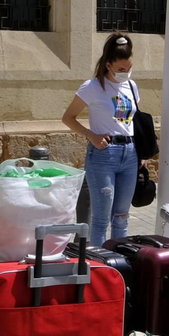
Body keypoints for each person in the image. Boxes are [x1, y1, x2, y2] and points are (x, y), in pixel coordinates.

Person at [61, 33, 141, 244]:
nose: (126, 73)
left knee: (122, 217)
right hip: (103, 154)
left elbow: (131, 120)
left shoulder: (132, 86)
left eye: (129, 68)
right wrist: (91, 135)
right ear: (108, 65)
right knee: (101, 219)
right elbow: (68, 118)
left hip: (130, 154)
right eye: (121, 69)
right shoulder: (93, 87)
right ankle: (99, 267)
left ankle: (120, 264)